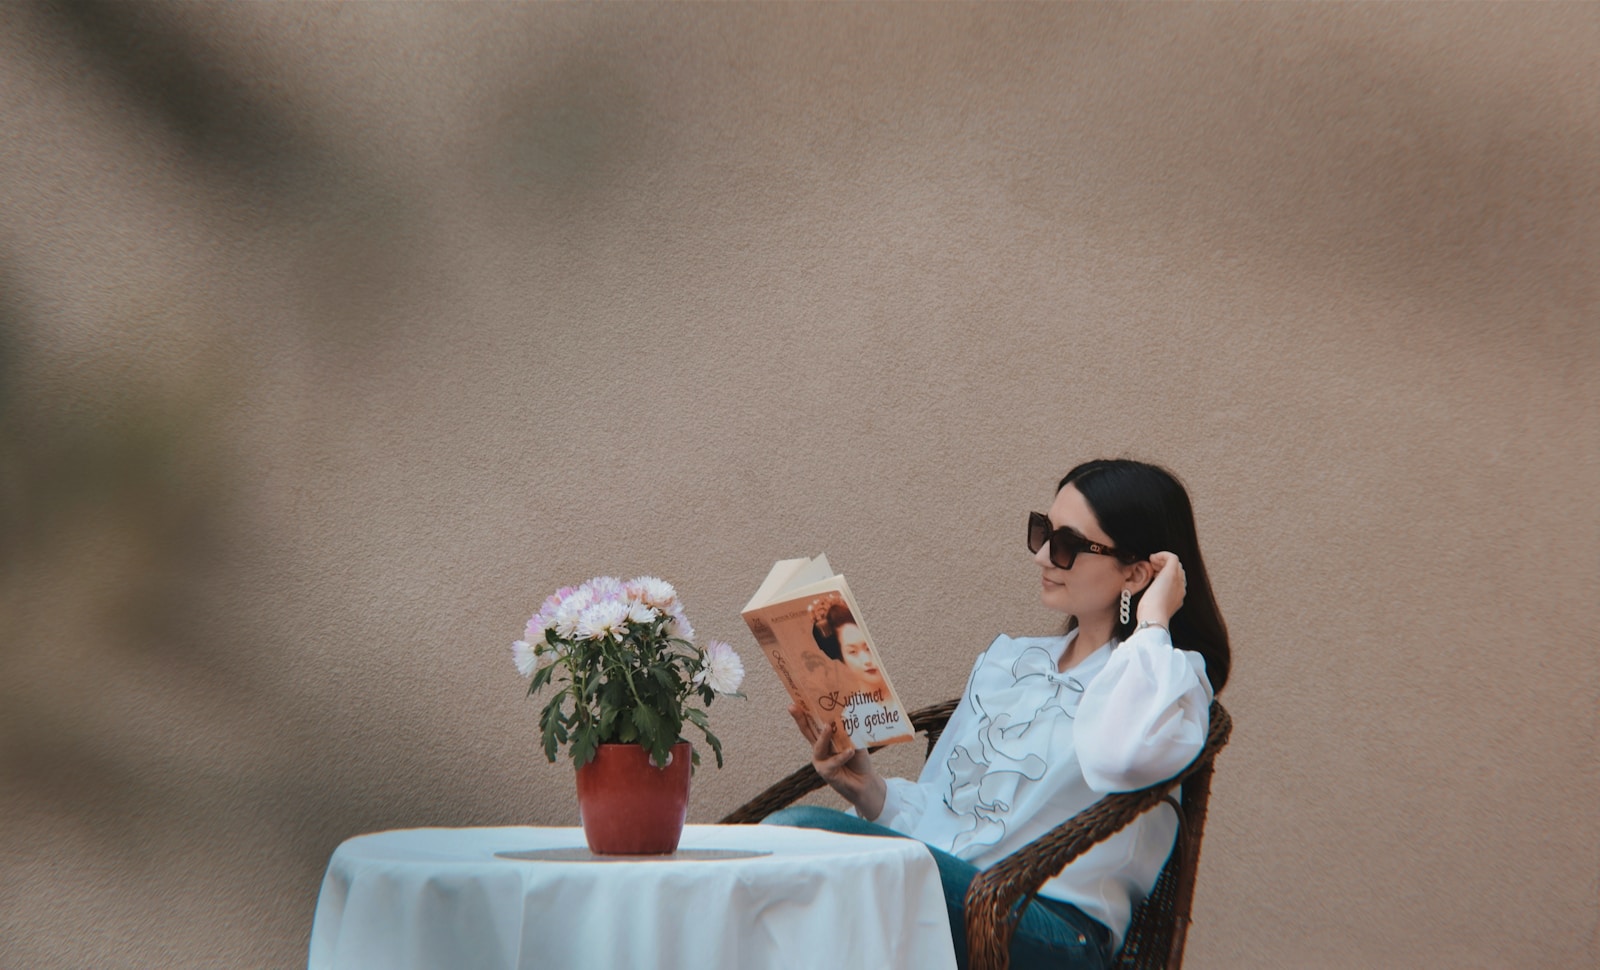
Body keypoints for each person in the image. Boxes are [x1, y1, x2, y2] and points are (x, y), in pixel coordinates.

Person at [763, 459, 1230, 970]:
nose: (1044, 557)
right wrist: (869, 792)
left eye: (1068, 544)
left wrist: (1153, 619)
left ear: (1137, 572)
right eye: (1043, 532)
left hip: (1050, 928)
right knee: (773, 855)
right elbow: (949, 811)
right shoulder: (1008, 662)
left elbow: (1119, 759)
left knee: (798, 831)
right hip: (953, 895)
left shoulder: (1167, 678)